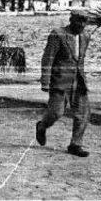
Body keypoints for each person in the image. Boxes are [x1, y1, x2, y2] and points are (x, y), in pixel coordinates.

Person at [36, 11, 91, 157]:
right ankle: (42, 126)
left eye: (84, 22)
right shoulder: (58, 34)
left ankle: (75, 144)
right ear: (71, 20)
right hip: (60, 81)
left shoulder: (86, 36)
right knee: (56, 112)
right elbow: (48, 58)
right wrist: (45, 81)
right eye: (79, 22)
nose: (82, 25)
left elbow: (81, 60)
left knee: (83, 114)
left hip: (79, 82)